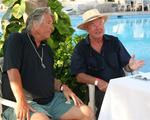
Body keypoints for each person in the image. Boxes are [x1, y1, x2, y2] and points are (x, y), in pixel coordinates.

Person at [2, 7, 94, 120]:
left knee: (86, 112)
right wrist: (21, 100)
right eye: (49, 22)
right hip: (23, 101)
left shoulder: (46, 49)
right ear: (35, 23)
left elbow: (49, 78)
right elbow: (12, 71)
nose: (52, 27)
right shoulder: (16, 40)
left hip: (51, 101)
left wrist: (62, 87)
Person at [71, 9, 144, 119]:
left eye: (100, 23)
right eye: (93, 25)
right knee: (114, 105)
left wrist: (130, 67)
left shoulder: (114, 41)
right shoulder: (81, 48)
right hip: (98, 90)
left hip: (120, 85)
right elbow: (79, 76)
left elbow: (126, 66)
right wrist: (98, 82)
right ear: (87, 28)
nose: (98, 27)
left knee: (140, 97)